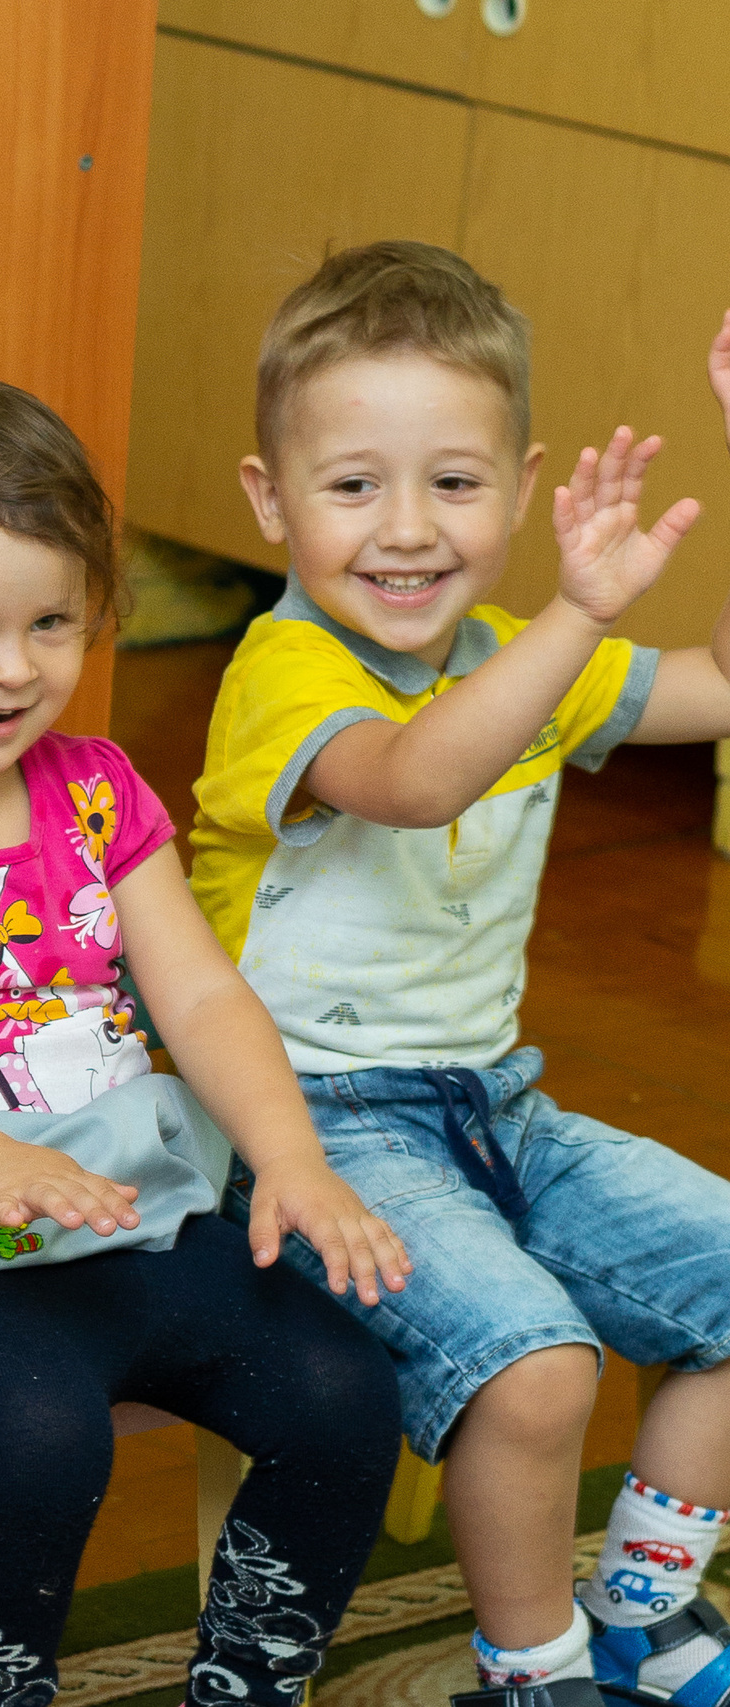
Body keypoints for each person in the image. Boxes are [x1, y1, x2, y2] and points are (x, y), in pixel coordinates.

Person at [0, 377, 409, 1707]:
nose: (15, 664)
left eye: (50, 620)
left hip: (121, 1215)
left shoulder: (101, 792)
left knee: (341, 1385)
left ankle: (251, 1681)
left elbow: (206, 999)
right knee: (44, 1436)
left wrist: (290, 1158)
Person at [192, 240, 730, 1707]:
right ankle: (532, 1665)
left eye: (454, 481)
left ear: (523, 480)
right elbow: (418, 776)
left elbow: (721, 687)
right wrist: (578, 618)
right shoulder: (286, 671)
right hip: (306, 1132)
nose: (408, 529)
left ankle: (641, 1607)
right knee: (538, 1366)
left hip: (494, 1103)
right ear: (269, 498)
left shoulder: (515, 656)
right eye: (354, 484)